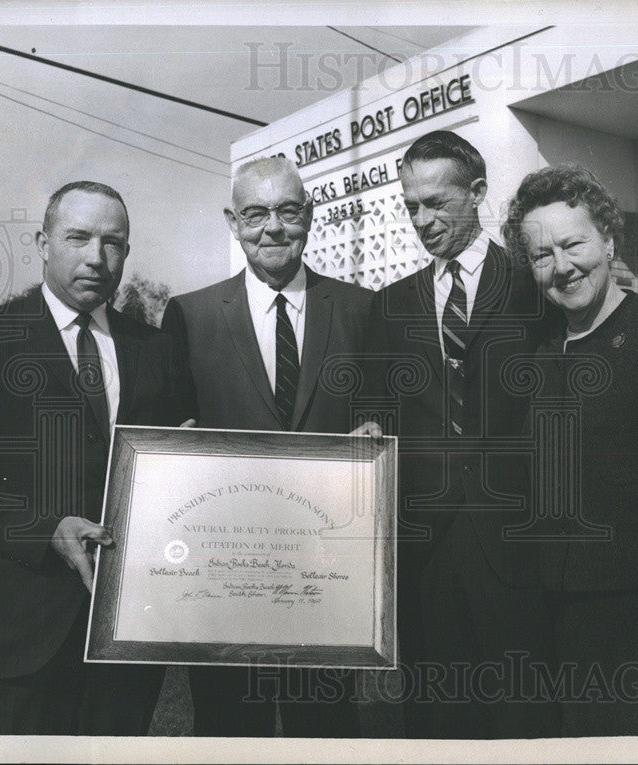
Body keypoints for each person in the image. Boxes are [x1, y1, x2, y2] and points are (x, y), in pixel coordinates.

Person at [161, 155, 372, 737]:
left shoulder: (361, 309)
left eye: (287, 211)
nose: (272, 228)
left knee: (327, 729)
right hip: (226, 575)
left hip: (327, 576)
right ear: (233, 222)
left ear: (310, 215)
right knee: (229, 728)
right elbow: (169, 437)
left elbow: (383, 420)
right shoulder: (189, 315)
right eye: (255, 214)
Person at [367, 131, 559, 738]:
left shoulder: (537, 286)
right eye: (411, 206)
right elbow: (381, 414)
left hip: (520, 544)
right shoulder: (391, 304)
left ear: (477, 193)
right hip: (427, 552)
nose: (422, 220)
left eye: (436, 203)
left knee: (521, 715)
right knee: (437, 720)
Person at [501, 163, 638, 736]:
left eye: (573, 244)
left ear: (608, 240)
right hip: (563, 619)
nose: (561, 267)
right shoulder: (539, 353)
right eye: (542, 255)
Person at [0, 181, 188, 735]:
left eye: (113, 242)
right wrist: (43, 530)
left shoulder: (157, 348)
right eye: (78, 237)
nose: (96, 258)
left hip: (128, 632)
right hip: (21, 632)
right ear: (42, 241)